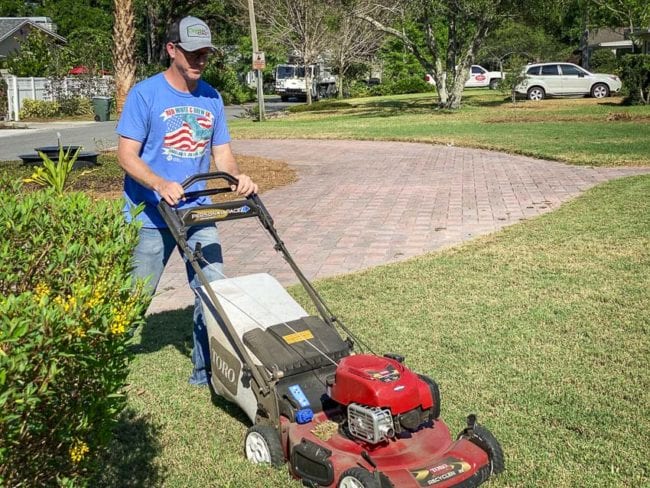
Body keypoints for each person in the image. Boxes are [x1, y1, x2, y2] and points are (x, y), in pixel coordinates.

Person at [116, 16, 258, 386]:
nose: (199, 60)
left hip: (197, 211)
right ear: (172, 50)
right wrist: (160, 182)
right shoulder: (145, 94)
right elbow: (126, 156)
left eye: (205, 54)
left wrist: (236, 178)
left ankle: (205, 373)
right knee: (133, 297)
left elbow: (222, 154)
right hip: (148, 214)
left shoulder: (211, 97)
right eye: (192, 53)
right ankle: (108, 365)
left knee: (213, 288)